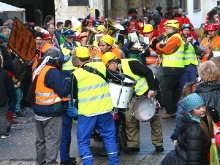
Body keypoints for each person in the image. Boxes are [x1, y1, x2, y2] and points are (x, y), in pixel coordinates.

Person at [101, 52, 164, 153]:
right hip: (133, 95)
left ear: (113, 63)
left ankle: (158, 144)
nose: (108, 70)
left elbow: (148, 72)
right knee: (130, 118)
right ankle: (133, 144)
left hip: (147, 92)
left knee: (154, 118)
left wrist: (152, 89)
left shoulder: (130, 64)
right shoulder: (115, 72)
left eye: (108, 67)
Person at [71, 47, 121, 165]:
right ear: (89, 57)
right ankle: (114, 162)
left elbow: (74, 97)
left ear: (78, 59)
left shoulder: (76, 74)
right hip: (104, 110)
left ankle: (88, 163)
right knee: (109, 137)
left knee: (83, 141)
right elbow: (114, 78)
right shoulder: (101, 67)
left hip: (87, 113)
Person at [30, 47, 71, 165]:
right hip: (51, 110)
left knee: (40, 140)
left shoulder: (38, 69)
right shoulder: (53, 71)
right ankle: (51, 163)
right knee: (52, 140)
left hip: (39, 110)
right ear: (56, 60)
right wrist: (68, 81)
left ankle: (41, 162)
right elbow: (63, 91)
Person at [161, 93, 214, 165]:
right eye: (198, 108)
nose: (202, 110)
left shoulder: (189, 119)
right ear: (191, 110)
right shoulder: (195, 130)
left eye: (203, 106)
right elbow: (193, 158)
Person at [150, 20, 185, 119]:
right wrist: (155, 46)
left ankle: (170, 111)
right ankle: (175, 109)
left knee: (165, 88)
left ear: (172, 29)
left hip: (173, 68)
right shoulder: (171, 38)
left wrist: (155, 43)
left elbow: (165, 49)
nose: (165, 30)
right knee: (173, 89)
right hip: (172, 68)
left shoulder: (175, 38)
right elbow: (161, 51)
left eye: (167, 28)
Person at [0, 45, 18, 124]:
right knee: (13, 98)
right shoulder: (8, 60)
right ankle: (9, 116)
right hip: (9, 81)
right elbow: (14, 71)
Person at [179, 24, 198, 93]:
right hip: (183, 66)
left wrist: (200, 47)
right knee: (184, 86)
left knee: (193, 85)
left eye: (188, 30)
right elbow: (181, 50)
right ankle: (183, 102)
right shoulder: (179, 39)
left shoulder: (192, 39)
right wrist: (187, 42)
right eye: (185, 30)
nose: (187, 32)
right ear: (181, 31)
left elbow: (198, 51)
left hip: (192, 65)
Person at [0, 54, 10, 138]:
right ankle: (3, 132)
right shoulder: (4, 73)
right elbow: (7, 84)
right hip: (2, 97)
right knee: (2, 114)